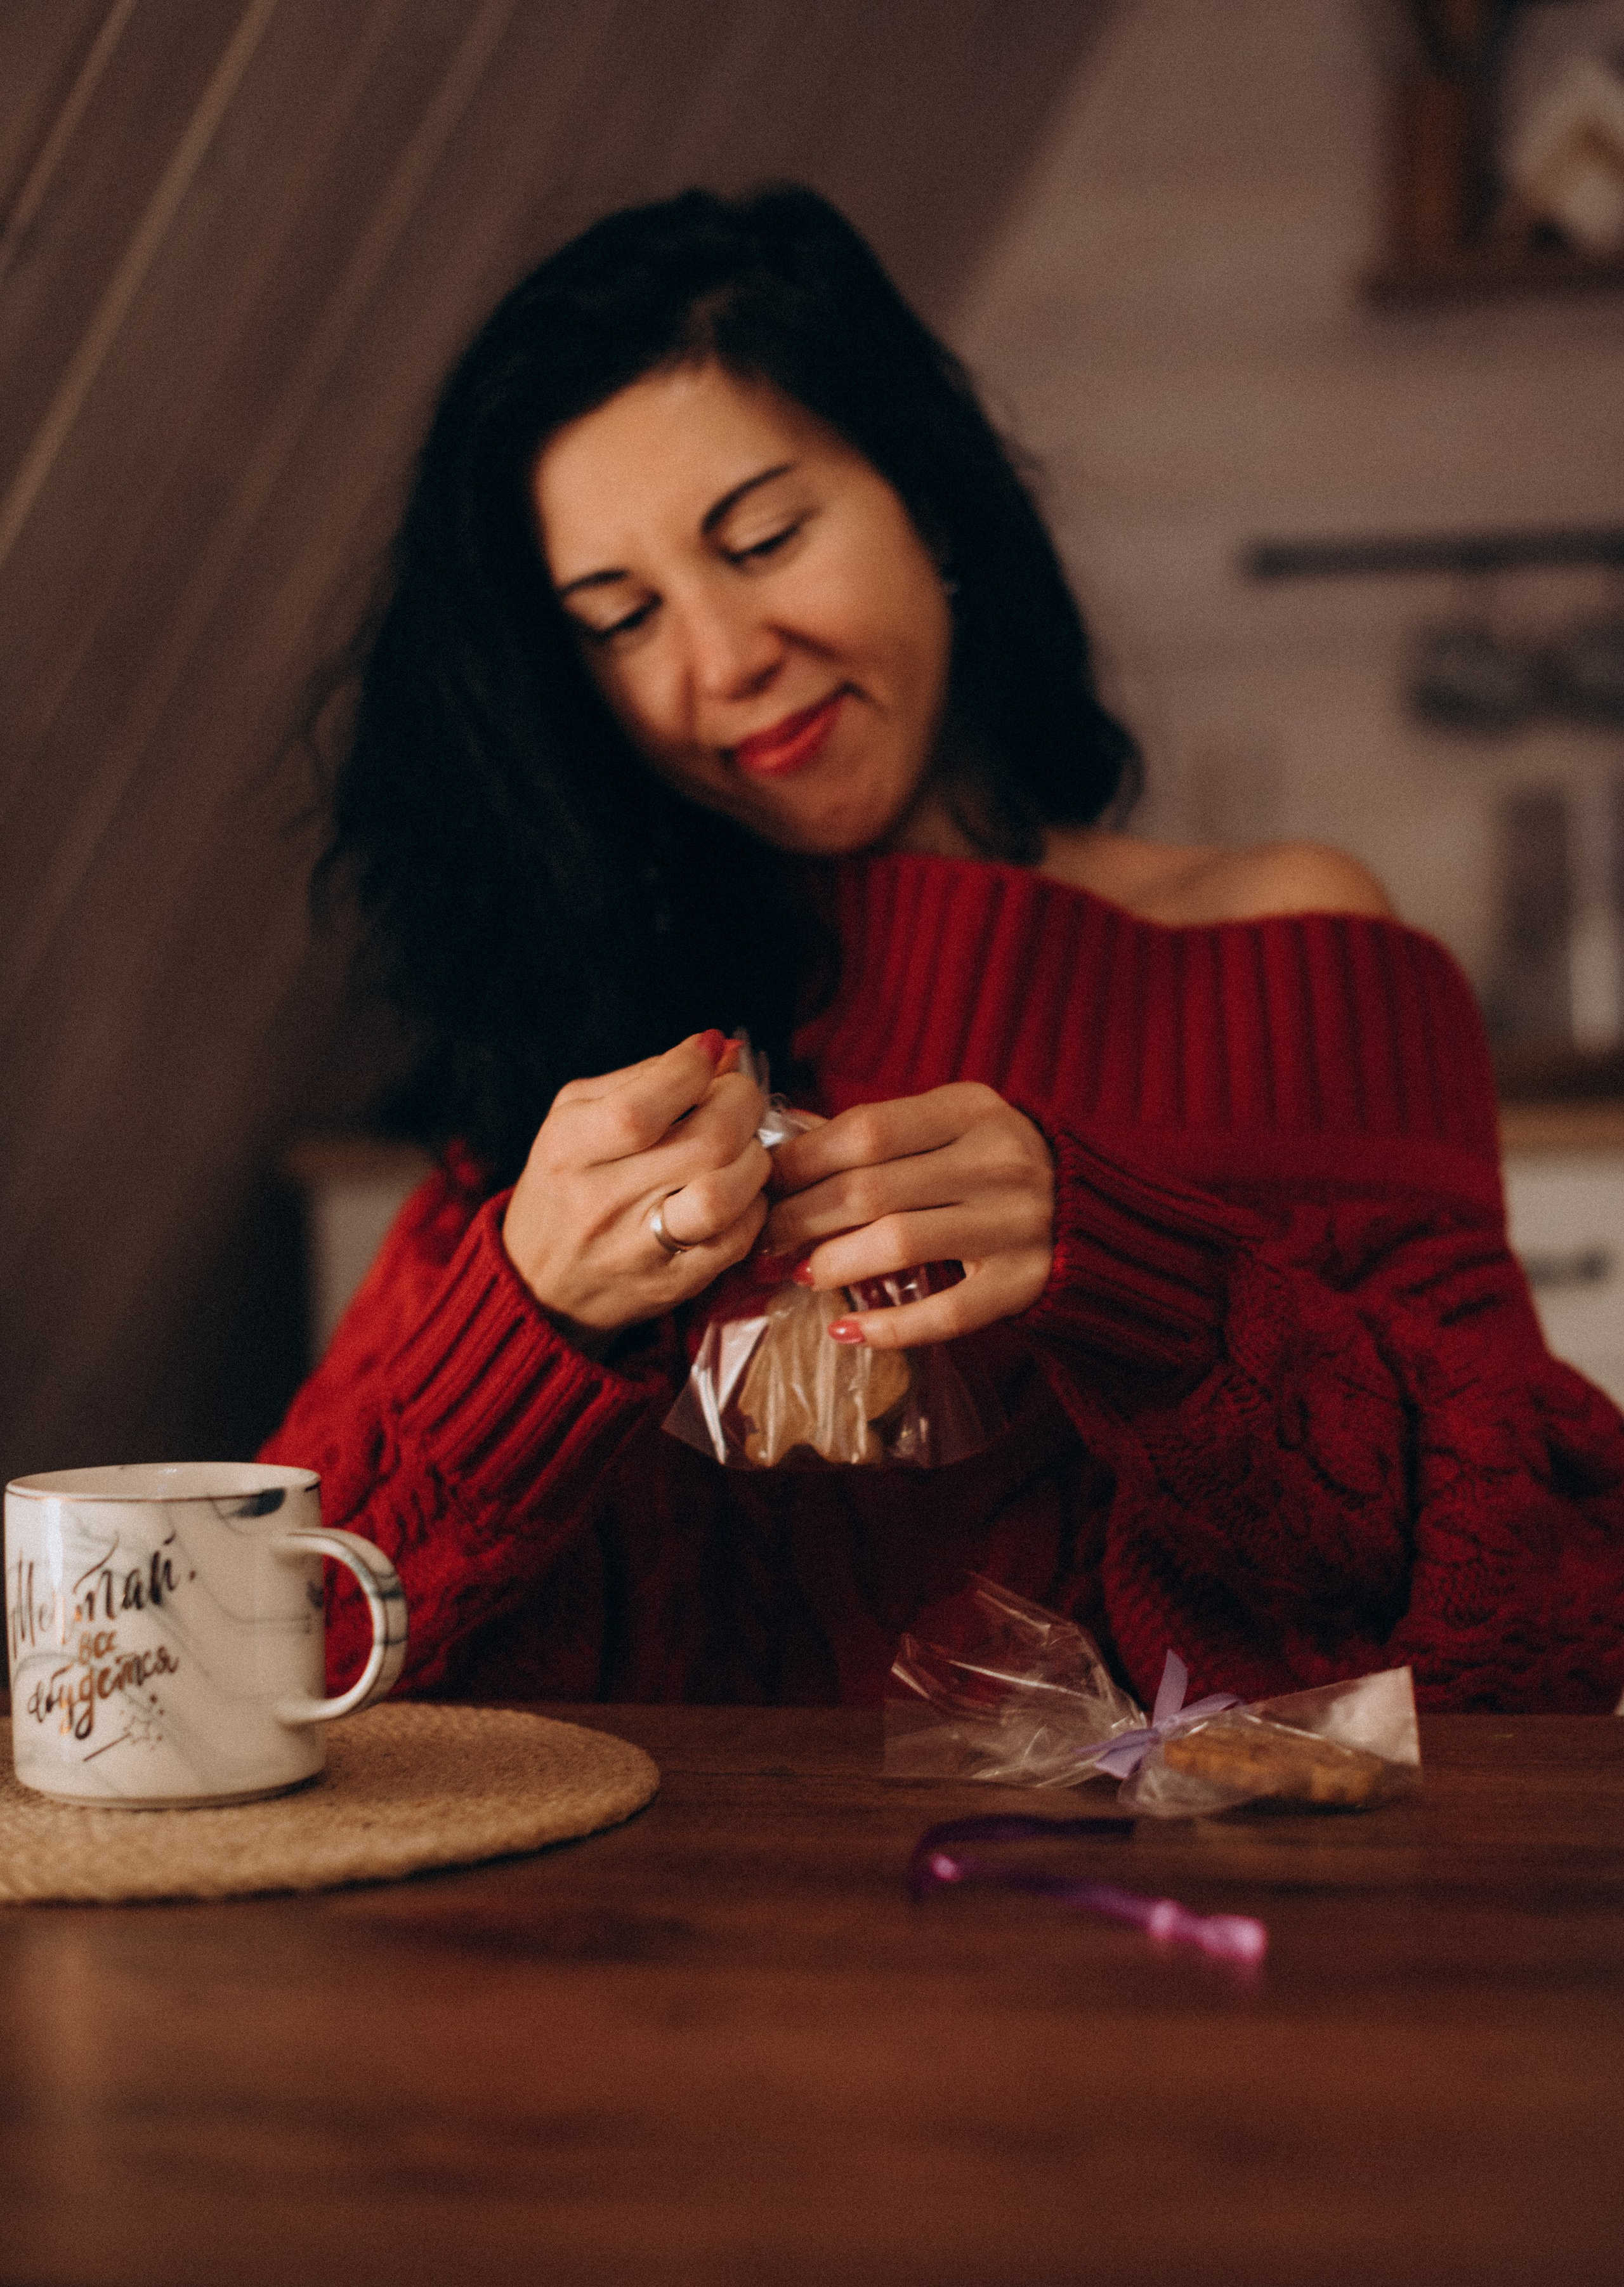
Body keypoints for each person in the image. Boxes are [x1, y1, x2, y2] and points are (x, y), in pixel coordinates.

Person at [265, 185, 1624, 1714]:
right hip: (667, 1940)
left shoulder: (1286, 948)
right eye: (619, 617)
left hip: (1174, 1935)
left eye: (763, 539)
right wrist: (529, 1319)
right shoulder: (586, 1033)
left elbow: (1551, 1598)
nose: (719, 662)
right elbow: (270, 1645)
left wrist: (1150, 1284)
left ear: (932, 501)